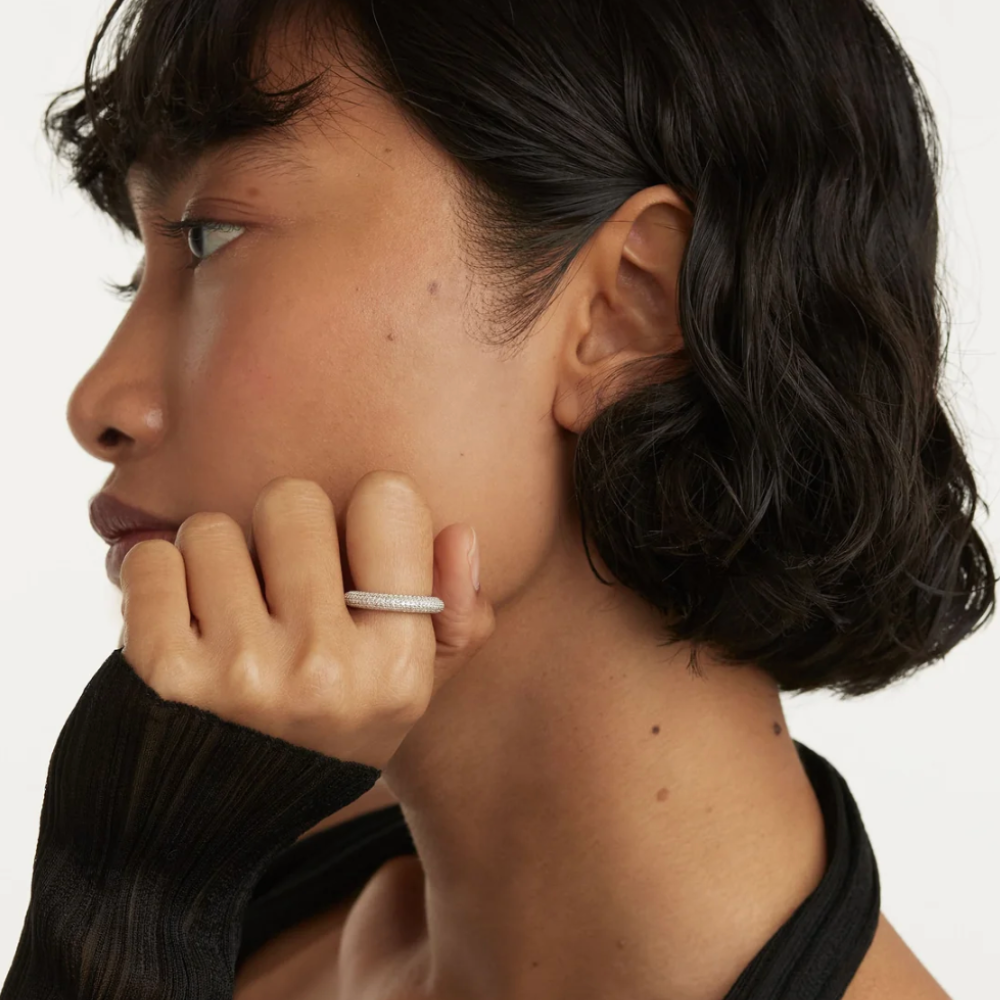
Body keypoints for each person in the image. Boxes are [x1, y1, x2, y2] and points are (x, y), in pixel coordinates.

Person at [2, 0, 994, 997]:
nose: (102, 403)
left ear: (628, 308)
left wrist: (133, 902)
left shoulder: (190, 884)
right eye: (141, 269)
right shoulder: (248, 854)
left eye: (210, 236)